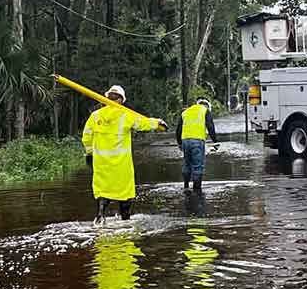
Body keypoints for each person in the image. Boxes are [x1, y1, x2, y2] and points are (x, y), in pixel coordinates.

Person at [82, 85, 167, 223]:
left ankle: (100, 214)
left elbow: (86, 137)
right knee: (125, 192)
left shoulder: (95, 116)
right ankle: (125, 220)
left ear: (106, 98)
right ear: (121, 100)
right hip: (121, 164)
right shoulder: (126, 115)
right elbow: (143, 123)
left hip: (101, 163)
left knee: (103, 190)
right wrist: (158, 123)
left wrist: (89, 153)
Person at [176, 97, 218, 192]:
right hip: (198, 140)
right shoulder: (205, 111)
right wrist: (215, 141)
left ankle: (186, 186)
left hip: (185, 140)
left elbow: (178, 130)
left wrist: (179, 143)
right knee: (198, 166)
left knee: (187, 164)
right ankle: (197, 190)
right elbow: (210, 126)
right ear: (206, 106)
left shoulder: (186, 112)